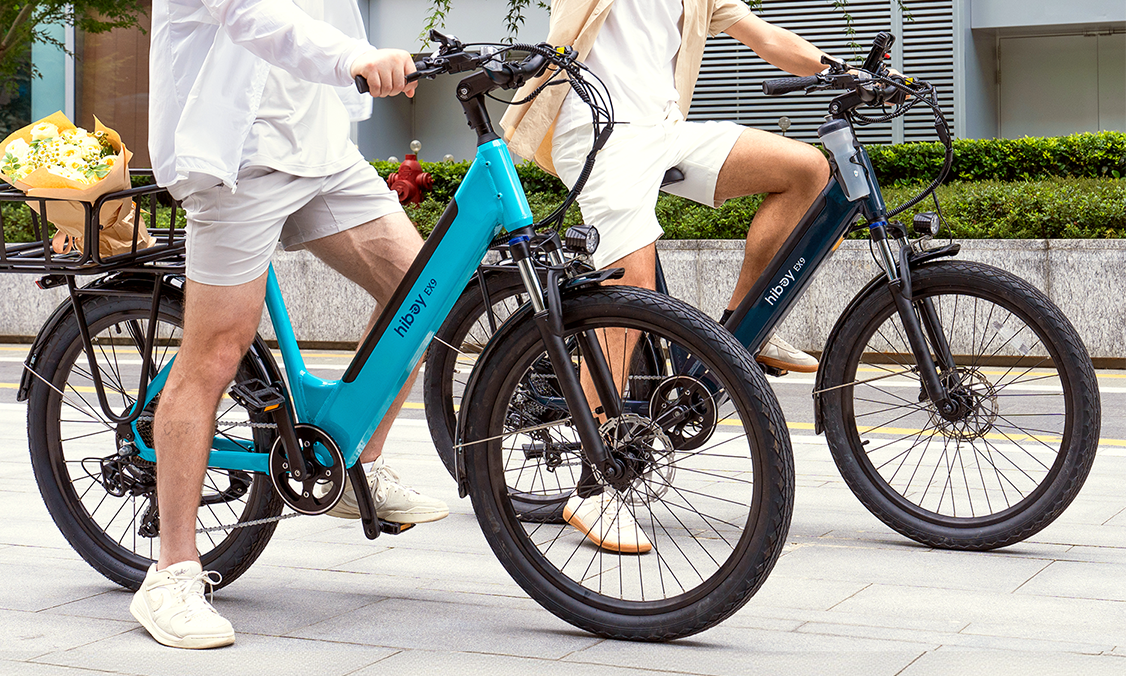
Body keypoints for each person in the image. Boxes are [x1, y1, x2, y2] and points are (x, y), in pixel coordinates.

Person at [133, 0, 447, 649]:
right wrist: (357, 60)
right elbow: (254, 16)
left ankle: (362, 468)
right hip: (239, 159)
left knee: (425, 289)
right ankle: (171, 574)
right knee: (216, 354)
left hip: (323, 150)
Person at [501, 0, 835, 553]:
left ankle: (746, 330)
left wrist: (842, 69)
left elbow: (770, 41)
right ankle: (593, 483)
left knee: (808, 171)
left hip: (663, 129)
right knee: (628, 286)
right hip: (598, 128)